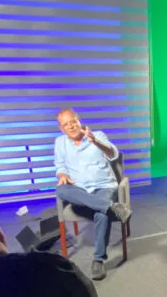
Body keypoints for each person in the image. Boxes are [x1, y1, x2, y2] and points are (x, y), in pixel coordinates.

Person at [53, 108, 131, 281]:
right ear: (61, 128)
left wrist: (95, 142)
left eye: (73, 122)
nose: (70, 126)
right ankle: (112, 207)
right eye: (65, 124)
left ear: (78, 120)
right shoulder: (59, 142)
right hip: (79, 188)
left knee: (101, 214)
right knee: (61, 189)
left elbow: (113, 154)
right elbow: (60, 166)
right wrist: (62, 175)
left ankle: (98, 260)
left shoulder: (97, 135)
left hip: (103, 186)